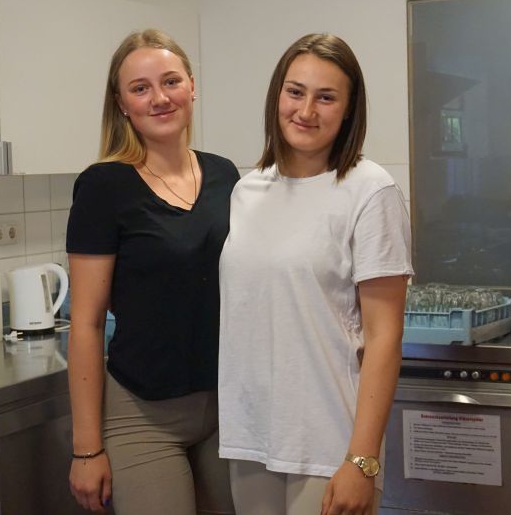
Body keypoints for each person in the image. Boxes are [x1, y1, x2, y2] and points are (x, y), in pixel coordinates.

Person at [218, 33, 414, 515]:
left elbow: (384, 337)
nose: (306, 110)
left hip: (332, 442)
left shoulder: (370, 190)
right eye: (295, 92)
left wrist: (362, 460)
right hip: (251, 437)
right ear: (276, 96)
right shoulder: (247, 191)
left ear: (348, 111)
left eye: (326, 97)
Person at [65, 29, 238, 514]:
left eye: (170, 81)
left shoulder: (225, 175)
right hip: (143, 415)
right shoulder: (104, 187)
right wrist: (86, 449)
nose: (159, 98)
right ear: (122, 104)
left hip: (227, 408)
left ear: (192, 86)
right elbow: (87, 323)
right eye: (140, 88)